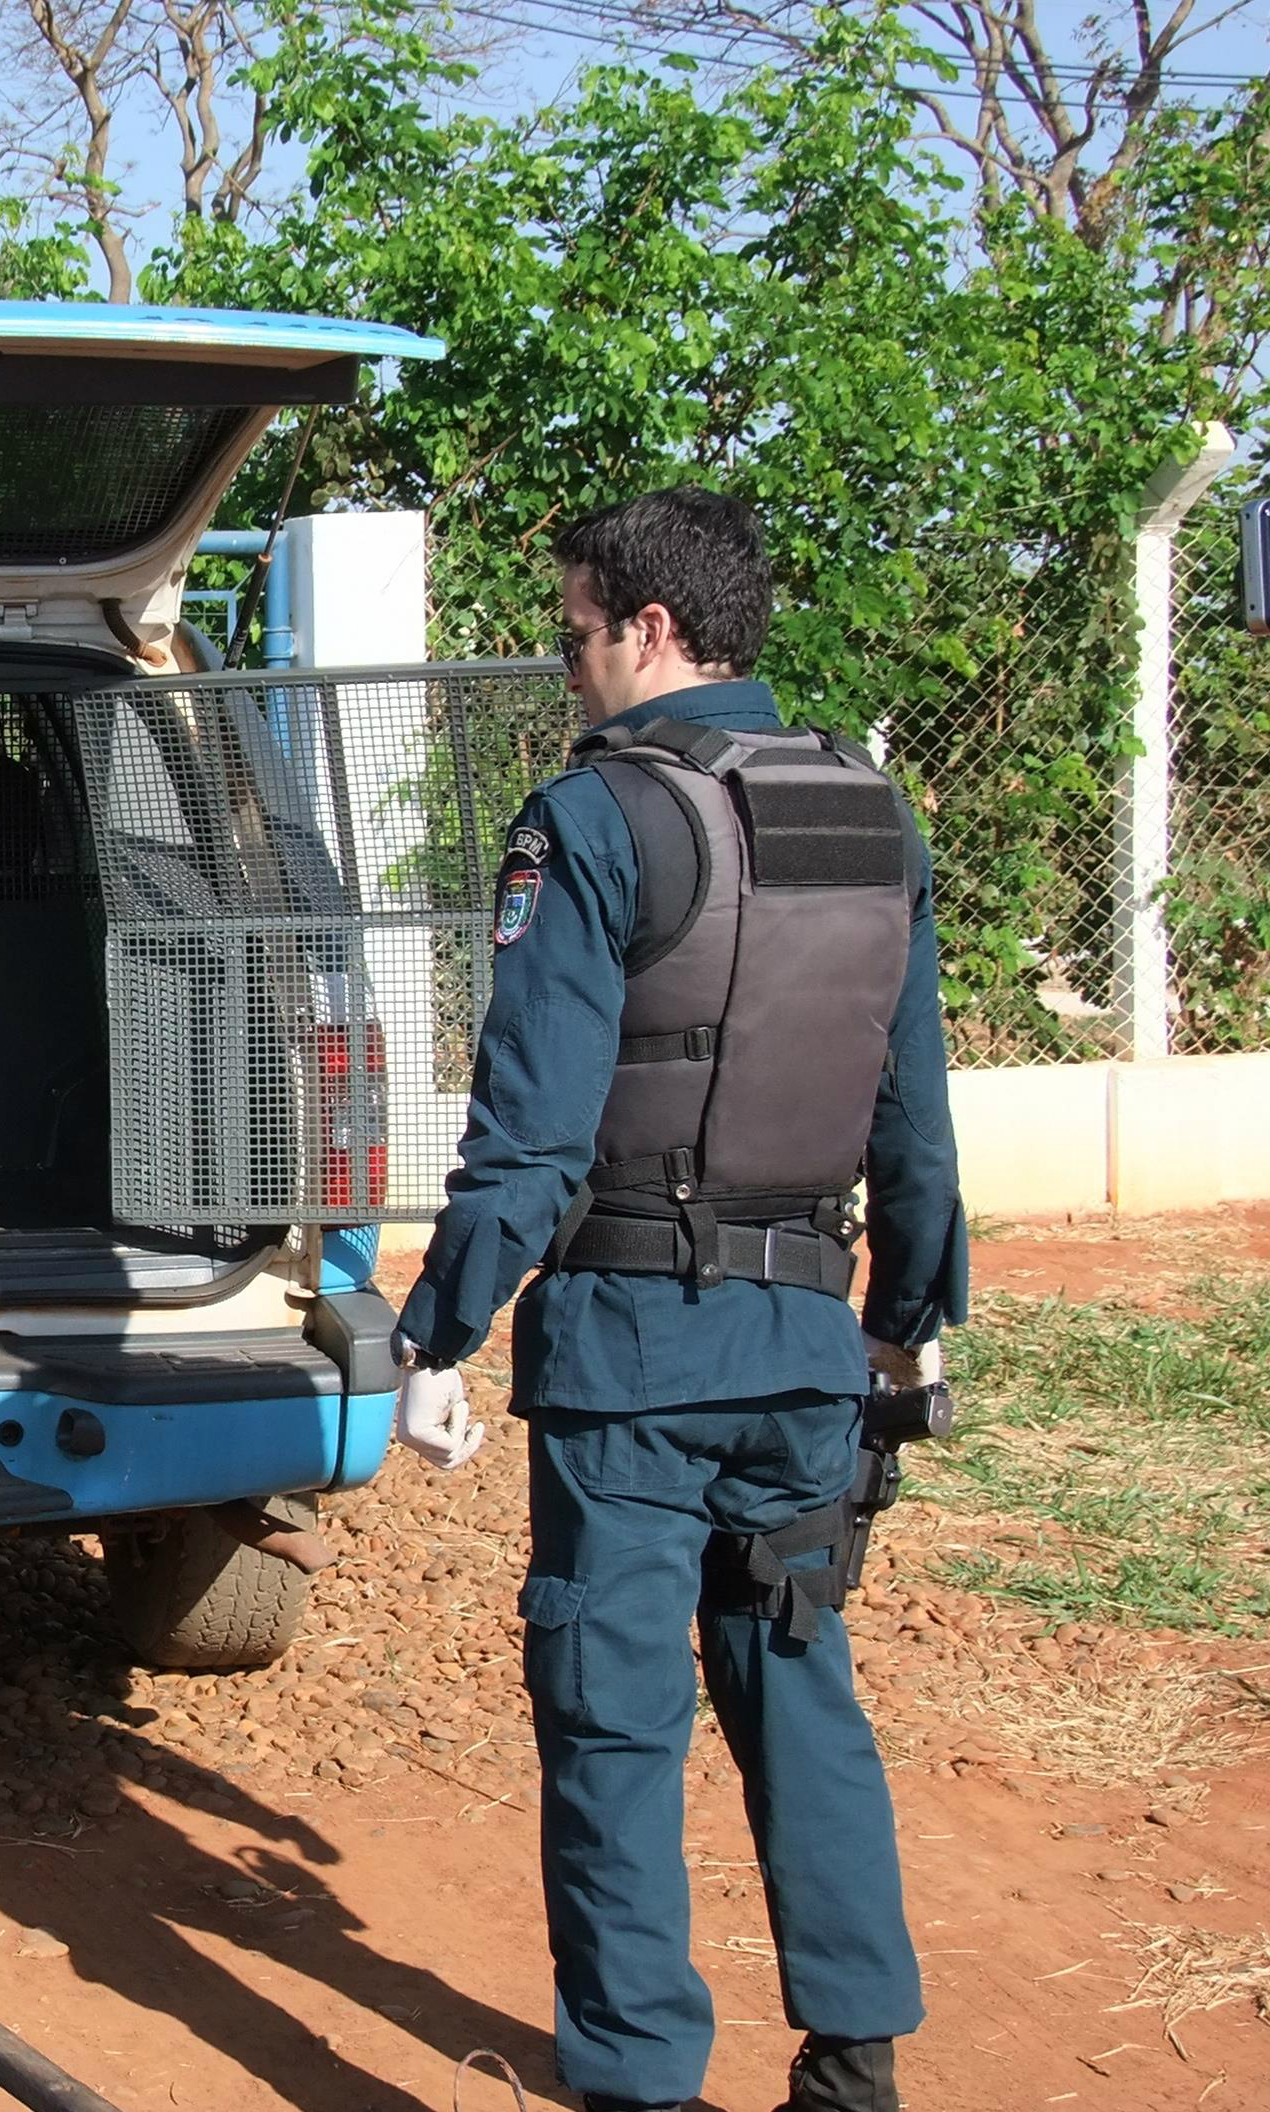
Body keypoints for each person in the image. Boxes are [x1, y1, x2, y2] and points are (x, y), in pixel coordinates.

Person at [390, 489, 965, 2112]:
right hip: (805, 1352)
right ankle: (855, 2066)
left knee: (613, 1721)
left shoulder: (591, 821)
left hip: (631, 1366)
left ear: (648, 629)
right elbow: (915, 1123)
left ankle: (639, 2080)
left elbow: (534, 1132)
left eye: (574, 631)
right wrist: (905, 1322)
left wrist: (439, 1325)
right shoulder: (874, 811)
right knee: (801, 1686)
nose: (566, 664)